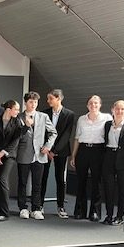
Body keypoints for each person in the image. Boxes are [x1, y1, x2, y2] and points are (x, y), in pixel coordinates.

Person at [70, 95, 113, 221]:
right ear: (87, 105)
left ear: (100, 105)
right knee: (81, 181)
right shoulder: (81, 119)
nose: (93, 105)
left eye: (96, 103)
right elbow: (77, 138)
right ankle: (79, 211)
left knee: (96, 182)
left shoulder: (107, 118)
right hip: (83, 150)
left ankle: (95, 212)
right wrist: (73, 155)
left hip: (98, 151)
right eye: (90, 103)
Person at [16, 92, 57, 220]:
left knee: (37, 184)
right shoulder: (19, 117)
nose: (33, 104)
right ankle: (23, 208)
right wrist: (25, 127)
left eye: (35, 102)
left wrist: (47, 146)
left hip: (39, 155)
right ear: (25, 103)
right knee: (22, 183)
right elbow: (15, 136)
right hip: (24, 154)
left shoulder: (43, 116)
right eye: (30, 102)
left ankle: (36, 208)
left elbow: (53, 133)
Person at [102, 100, 124, 226]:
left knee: (123, 190)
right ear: (112, 110)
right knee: (108, 189)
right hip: (109, 158)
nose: (119, 111)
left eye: (122, 109)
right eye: (117, 108)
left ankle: (120, 216)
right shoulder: (107, 124)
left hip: (123, 160)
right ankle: (109, 215)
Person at [41, 89, 75, 219]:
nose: (48, 101)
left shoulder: (69, 114)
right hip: (45, 150)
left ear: (58, 99)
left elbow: (67, 135)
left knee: (60, 179)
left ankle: (60, 206)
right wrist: (48, 149)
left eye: (50, 98)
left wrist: (54, 151)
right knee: (42, 177)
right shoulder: (44, 113)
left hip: (61, 151)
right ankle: (39, 205)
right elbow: (43, 132)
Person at [0, 100, 24, 221]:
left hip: (8, 156)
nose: (18, 112)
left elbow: (15, 141)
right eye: (16, 109)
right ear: (9, 109)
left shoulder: (18, 122)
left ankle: (4, 212)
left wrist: (1, 153)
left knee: (2, 179)